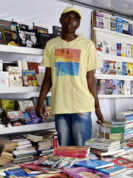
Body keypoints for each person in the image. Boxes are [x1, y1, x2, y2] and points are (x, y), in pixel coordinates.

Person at [36, 6, 104, 146]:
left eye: (75, 19)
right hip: (60, 105)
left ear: (78, 24)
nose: (70, 21)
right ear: (61, 20)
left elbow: (91, 79)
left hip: (82, 106)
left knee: (81, 148)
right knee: (65, 150)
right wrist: (40, 101)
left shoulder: (87, 45)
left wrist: (97, 108)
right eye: (67, 17)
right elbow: (48, 77)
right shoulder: (51, 45)